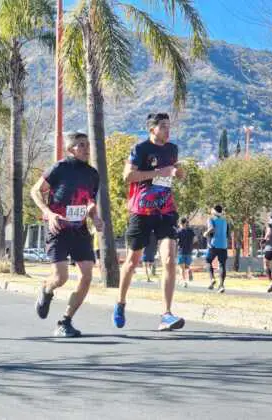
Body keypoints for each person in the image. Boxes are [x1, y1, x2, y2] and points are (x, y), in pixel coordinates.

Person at [114, 113, 186, 332]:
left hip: (166, 210)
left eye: (169, 126)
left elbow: (175, 173)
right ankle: (120, 302)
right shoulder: (140, 149)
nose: (167, 130)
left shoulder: (172, 149)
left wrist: (179, 172)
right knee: (132, 262)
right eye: (163, 126)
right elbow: (127, 176)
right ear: (152, 129)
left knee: (169, 260)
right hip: (141, 211)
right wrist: (157, 172)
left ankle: (166, 314)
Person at [31, 131, 102, 338]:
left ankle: (65, 321)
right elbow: (35, 191)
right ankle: (47, 289)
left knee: (86, 276)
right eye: (81, 145)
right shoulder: (60, 168)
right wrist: (49, 213)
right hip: (58, 228)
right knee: (60, 278)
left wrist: (95, 217)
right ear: (71, 149)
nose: (86, 148)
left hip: (79, 229)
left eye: (87, 144)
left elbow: (89, 202)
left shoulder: (92, 174)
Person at [205, 205, 229, 293]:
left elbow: (211, 228)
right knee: (222, 265)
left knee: (208, 261)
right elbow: (227, 234)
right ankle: (221, 285)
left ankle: (212, 279)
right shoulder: (225, 221)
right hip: (224, 245)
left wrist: (205, 233)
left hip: (214, 244)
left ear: (214, 211)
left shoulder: (210, 219)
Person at [176, 217, 195, 288]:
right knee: (186, 267)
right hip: (189, 251)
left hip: (181, 251)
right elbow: (195, 239)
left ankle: (184, 282)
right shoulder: (190, 231)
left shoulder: (178, 231)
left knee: (182, 268)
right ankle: (189, 270)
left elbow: (176, 241)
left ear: (180, 223)